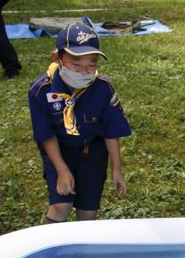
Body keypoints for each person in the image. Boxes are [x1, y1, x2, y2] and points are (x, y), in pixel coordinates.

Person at [29, 23, 131, 223]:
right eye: (76, 65)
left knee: (88, 213)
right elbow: (46, 134)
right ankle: (51, 251)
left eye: (91, 65)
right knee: (60, 206)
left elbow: (111, 131)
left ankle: (82, 253)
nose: (84, 71)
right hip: (60, 152)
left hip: (93, 153)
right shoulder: (41, 90)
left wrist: (116, 169)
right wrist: (61, 169)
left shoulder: (103, 87)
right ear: (57, 58)